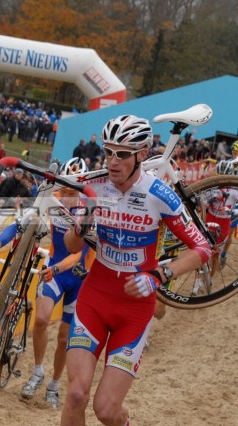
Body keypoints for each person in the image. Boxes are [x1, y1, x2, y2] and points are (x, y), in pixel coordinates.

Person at [61, 115, 211, 426]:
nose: (113, 161)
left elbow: (202, 249)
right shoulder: (94, 185)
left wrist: (158, 276)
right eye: (108, 152)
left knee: (106, 411)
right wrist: (82, 222)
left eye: (123, 154)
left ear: (142, 155)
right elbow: (73, 246)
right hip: (95, 296)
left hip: (134, 309)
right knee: (76, 395)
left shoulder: (159, 194)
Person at [18, 157, 93, 409]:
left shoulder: (88, 208)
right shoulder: (55, 199)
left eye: (73, 188)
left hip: (77, 275)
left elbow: (79, 254)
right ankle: (38, 372)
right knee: (41, 320)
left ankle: (54, 385)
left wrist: (56, 267)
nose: (67, 193)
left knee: (64, 338)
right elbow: (34, 217)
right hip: (54, 266)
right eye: (65, 187)